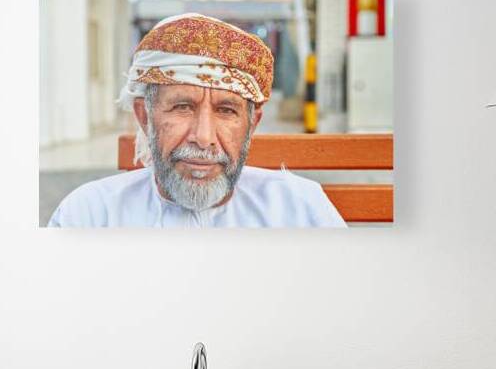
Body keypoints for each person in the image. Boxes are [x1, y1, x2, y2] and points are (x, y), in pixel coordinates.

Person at [48, 13, 346, 228]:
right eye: (182, 107)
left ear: (252, 124)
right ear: (145, 116)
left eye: (227, 110)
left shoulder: (300, 209)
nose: (204, 138)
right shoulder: (89, 214)